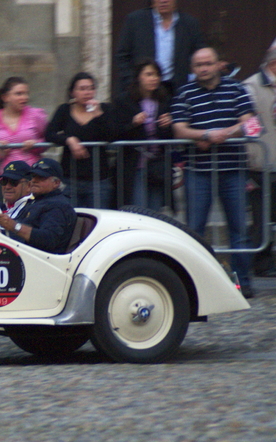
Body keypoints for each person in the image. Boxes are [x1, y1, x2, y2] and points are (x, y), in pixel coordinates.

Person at [171, 47, 255, 297]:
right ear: (192, 68)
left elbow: (251, 123)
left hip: (233, 170)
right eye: (198, 65)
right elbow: (179, 130)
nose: (204, 68)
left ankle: (243, 285)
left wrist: (221, 135)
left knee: (238, 230)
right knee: (195, 230)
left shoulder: (237, 88)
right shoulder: (185, 93)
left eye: (208, 63)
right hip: (199, 171)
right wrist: (205, 134)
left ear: (220, 64)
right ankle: (196, 285)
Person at [115, 0, 204, 95]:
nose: (163, 0)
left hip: (176, 88)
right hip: (141, 89)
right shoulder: (135, 20)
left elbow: (198, 53)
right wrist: (132, 80)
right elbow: (122, 55)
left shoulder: (189, 23)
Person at [45, 72, 115, 208]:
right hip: (69, 179)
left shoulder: (104, 109)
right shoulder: (64, 110)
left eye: (91, 88)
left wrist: (98, 115)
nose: (87, 92)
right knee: (69, 220)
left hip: (98, 180)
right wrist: (69, 140)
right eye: (82, 89)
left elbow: (111, 136)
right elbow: (49, 134)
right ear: (73, 92)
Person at [112, 59, 174, 210]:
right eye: (149, 74)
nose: (154, 78)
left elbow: (170, 136)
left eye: (157, 75)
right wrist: (133, 123)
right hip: (135, 166)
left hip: (157, 166)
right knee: (138, 209)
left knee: (155, 211)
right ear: (139, 77)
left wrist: (168, 124)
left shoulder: (164, 100)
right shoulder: (124, 100)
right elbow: (114, 132)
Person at [0, 76, 47, 200]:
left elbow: (47, 140)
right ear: (5, 97)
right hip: (6, 180)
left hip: (32, 177)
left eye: (26, 93)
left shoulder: (36, 115)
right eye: (19, 94)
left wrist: (36, 145)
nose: (24, 98)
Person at [0, 158, 77, 254]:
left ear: (56, 183)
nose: (34, 180)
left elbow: (50, 239)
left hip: (41, 261)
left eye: (41, 177)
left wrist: (14, 226)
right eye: (33, 176)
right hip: (21, 254)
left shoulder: (57, 206)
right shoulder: (37, 202)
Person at [243, 48, 276, 276]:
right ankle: (261, 263)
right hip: (261, 163)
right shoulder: (251, 87)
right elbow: (249, 127)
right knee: (263, 217)